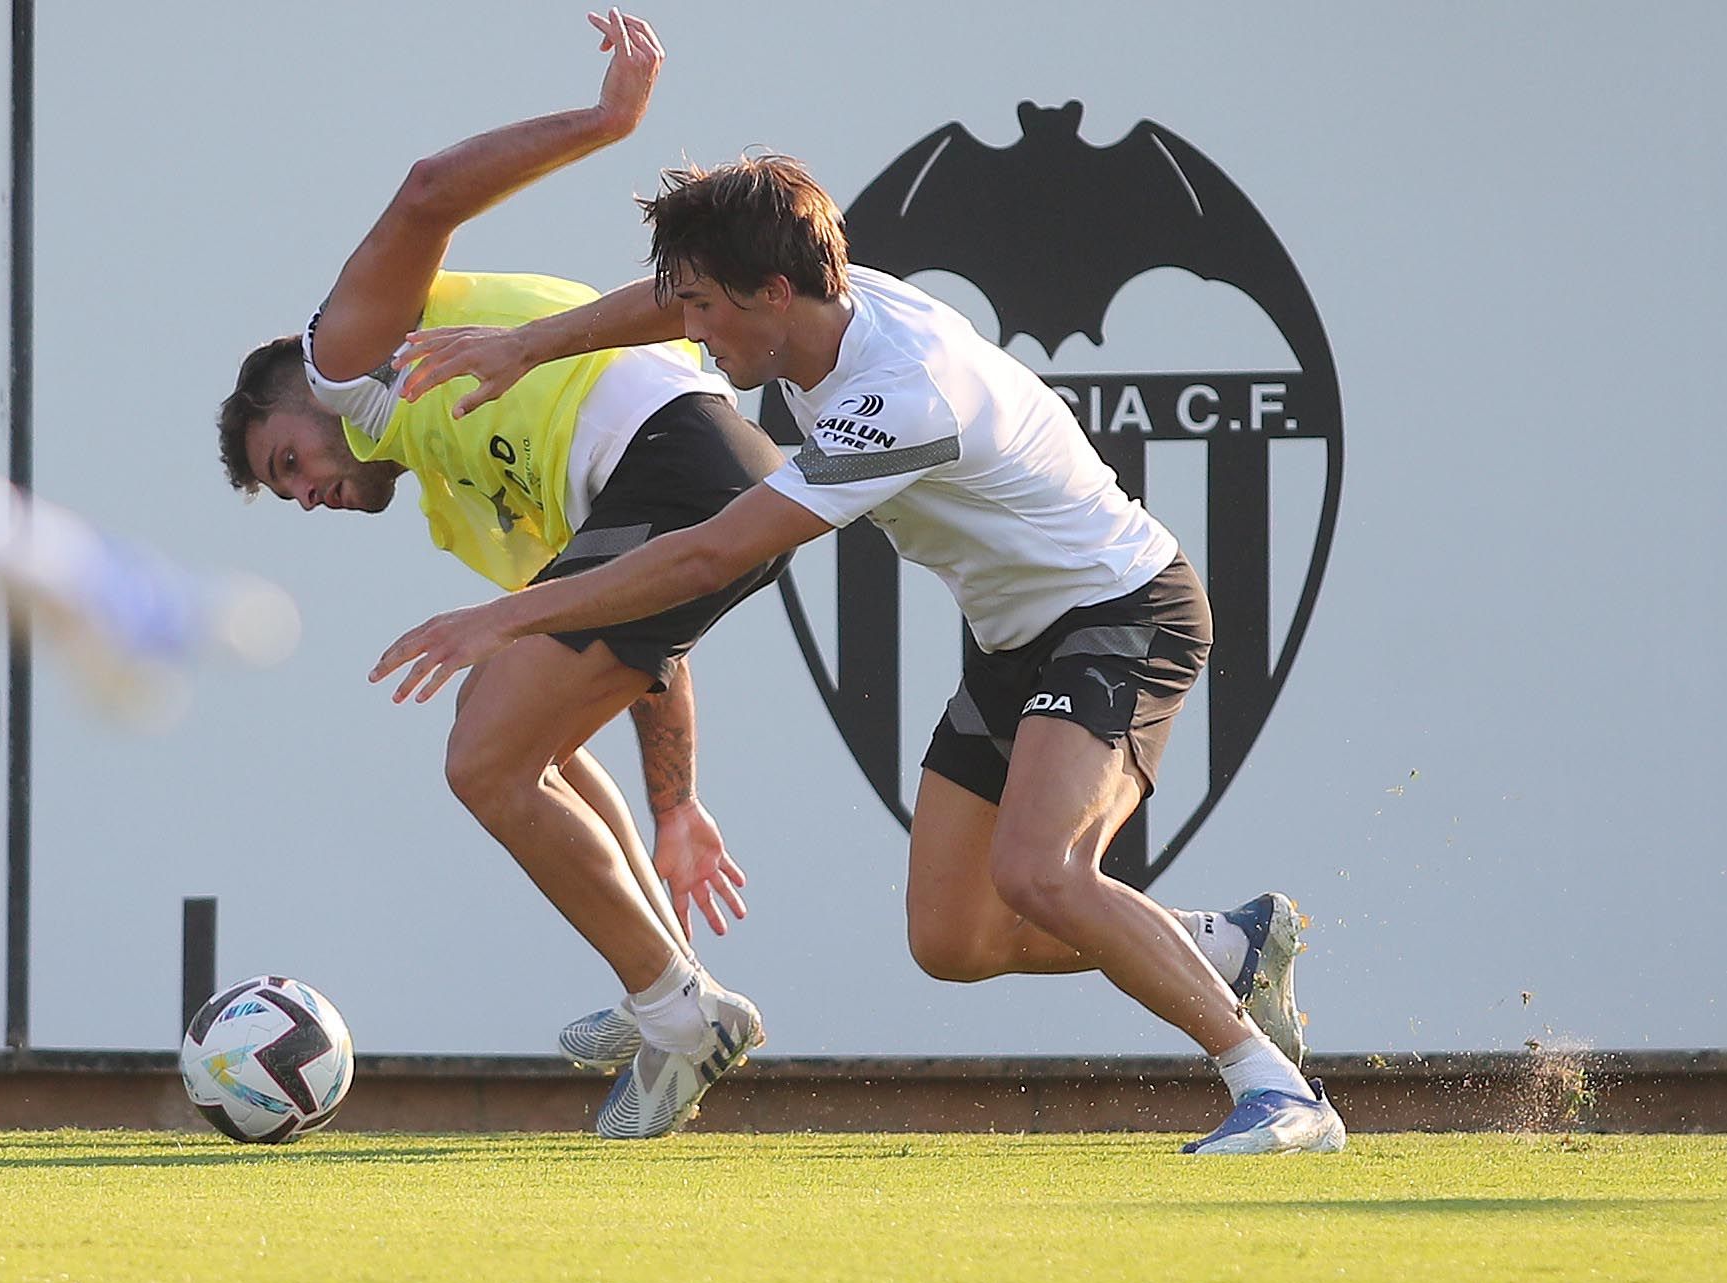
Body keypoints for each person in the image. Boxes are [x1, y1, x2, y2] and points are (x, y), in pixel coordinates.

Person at [382, 155, 1345, 1154]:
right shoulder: (817, 306)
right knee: (955, 940)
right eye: (688, 303)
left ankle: (1277, 1092)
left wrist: (510, 618)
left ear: (775, 293)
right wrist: (527, 344)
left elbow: (710, 553)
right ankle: (1227, 946)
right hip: (1015, 637)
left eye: (705, 308)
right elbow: (668, 304)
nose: (691, 330)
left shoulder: (902, 397)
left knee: (1043, 873)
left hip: (1123, 611)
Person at [214, 11, 780, 1139]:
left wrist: (606, 122)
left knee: (482, 757)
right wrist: (675, 804)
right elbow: (635, 637)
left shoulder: (343, 365)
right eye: (290, 495)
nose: (309, 493)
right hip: (703, 482)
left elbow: (427, 191)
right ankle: (673, 991)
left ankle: (677, 1014)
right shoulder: (461, 499)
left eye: (289, 463)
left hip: (686, 450)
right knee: (528, 738)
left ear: (300, 395)